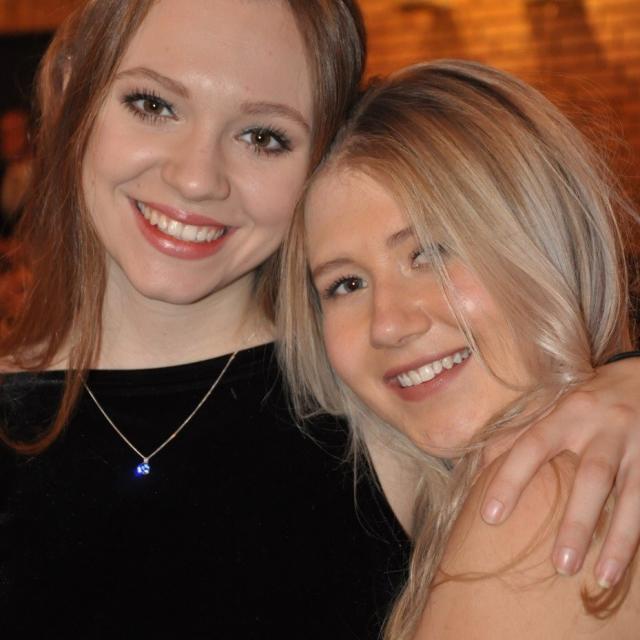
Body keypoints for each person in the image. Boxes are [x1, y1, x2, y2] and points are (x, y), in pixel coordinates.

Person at [0, 1, 639, 635]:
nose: (195, 179)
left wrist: (619, 377)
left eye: (263, 136)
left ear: (318, 159)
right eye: (152, 104)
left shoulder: (375, 402)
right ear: (71, 91)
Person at [278, 60, 640, 637]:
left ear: (540, 237)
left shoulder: (539, 496)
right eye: (346, 284)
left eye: (428, 252)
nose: (388, 325)